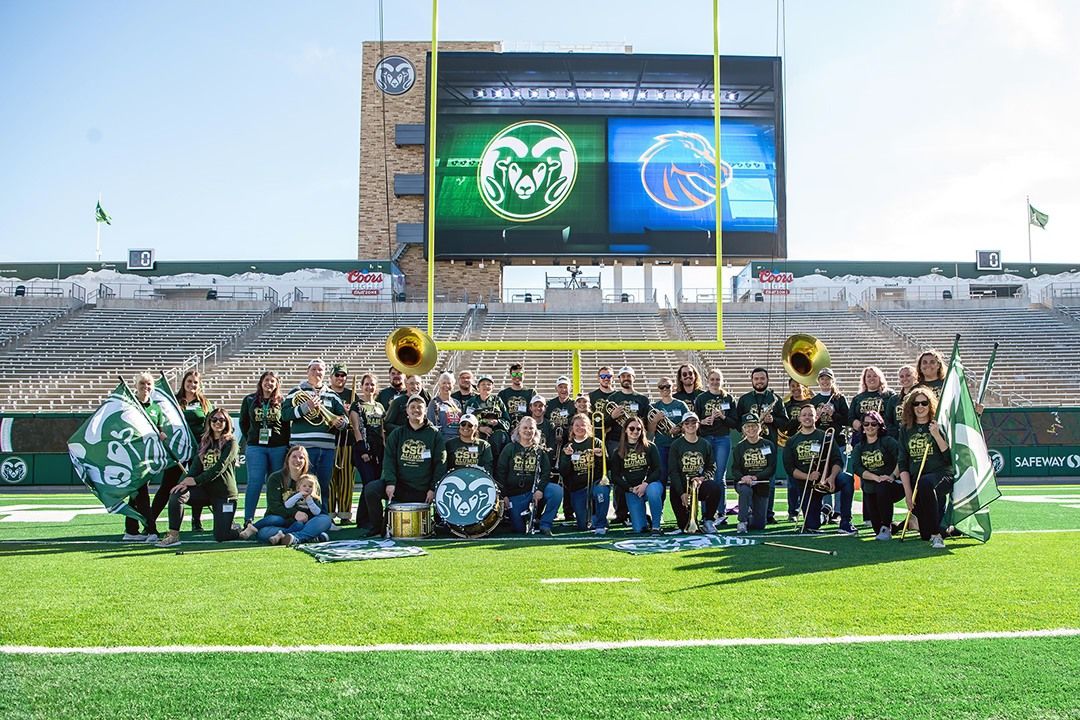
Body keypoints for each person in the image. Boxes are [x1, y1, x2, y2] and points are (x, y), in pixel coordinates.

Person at [155, 408, 241, 547]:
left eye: (221, 420)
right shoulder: (204, 441)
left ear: (227, 423)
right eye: (214, 419)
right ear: (209, 422)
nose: (217, 422)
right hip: (205, 492)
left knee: (221, 536)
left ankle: (242, 531)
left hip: (224, 494)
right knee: (177, 494)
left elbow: (219, 468)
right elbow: (196, 465)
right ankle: (173, 535)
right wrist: (185, 482)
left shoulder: (231, 442)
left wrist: (196, 480)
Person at [365, 394, 446, 536]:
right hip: (400, 487)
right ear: (407, 411)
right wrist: (390, 483)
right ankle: (377, 528)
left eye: (420, 407)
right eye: (412, 407)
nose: (416, 410)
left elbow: (441, 464)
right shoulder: (397, 434)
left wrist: (433, 488)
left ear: (425, 410)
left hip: (423, 489)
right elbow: (389, 460)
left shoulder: (434, 435)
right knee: (371, 489)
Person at [147, 369, 213, 535]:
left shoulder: (205, 402)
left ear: (200, 385)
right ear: (183, 382)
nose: (192, 385)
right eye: (189, 381)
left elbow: (210, 424)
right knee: (167, 485)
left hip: (199, 449)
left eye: (195, 382)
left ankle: (196, 521)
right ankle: (150, 521)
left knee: (196, 483)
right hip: (178, 450)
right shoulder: (174, 401)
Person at [281, 359, 350, 503]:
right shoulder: (296, 391)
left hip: (326, 448)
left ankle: (323, 518)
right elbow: (285, 415)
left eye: (320, 370)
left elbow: (345, 419)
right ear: (307, 371)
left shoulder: (332, 395)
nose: (317, 372)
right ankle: (302, 516)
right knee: (302, 486)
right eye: (313, 369)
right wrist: (306, 407)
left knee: (323, 486)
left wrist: (340, 423)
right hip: (303, 449)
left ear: (325, 373)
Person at [782, 404, 849, 534]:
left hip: (828, 481)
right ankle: (825, 512)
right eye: (804, 415)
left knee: (847, 479)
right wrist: (808, 477)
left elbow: (837, 461)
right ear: (799, 418)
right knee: (812, 525)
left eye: (811, 415)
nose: (807, 417)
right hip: (807, 484)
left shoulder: (825, 436)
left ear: (816, 417)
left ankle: (846, 521)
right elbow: (789, 468)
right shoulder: (792, 441)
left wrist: (832, 477)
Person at [899, 388, 951, 549]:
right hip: (918, 482)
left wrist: (936, 435)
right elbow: (903, 463)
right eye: (916, 403)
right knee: (924, 534)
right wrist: (908, 494)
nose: (920, 407)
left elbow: (949, 458)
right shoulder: (905, 429)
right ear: (911, 407)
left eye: (924, 403)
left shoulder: (938, 425)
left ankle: (937, 536)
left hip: (942, 476)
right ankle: (946, 530)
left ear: (930, 405)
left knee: (926, 482)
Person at [736, 367, 788, 523]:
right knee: (747, 480)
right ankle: (749, 512)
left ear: (767, 380)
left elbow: (784, 422)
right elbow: (738, 421)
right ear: (752, 381)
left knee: (769, 481)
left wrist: (774, 420)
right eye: (756, 378)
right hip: (748, 444)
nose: (759, 381)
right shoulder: (745, 399)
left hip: (768, 443)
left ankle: (768, 514)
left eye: (762, 378)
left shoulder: (775, 398)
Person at [238, 371, 290, 527]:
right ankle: (248, 519)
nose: (269, 383)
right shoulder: (249, 400)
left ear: (277, 384)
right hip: (256, 446)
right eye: (266, 380)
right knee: (255, 481)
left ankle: (273, 515)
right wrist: (251, 438)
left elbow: (286, 425)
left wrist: (285, 444)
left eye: (272, 381)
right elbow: (243, 422)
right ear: (261, 382)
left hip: (278, 446)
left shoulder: (283, 401)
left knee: (276, 482)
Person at [497, 416, 563, 535]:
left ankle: (545, 524)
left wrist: (540, 490)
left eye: (531, 428)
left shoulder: (539, 450)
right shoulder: (509, 448)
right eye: (525, 428)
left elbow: (546, 472)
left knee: (556, 490)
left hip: (533, 492)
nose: (528, 431)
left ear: (536, 431)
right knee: (520, 529)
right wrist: (504, 495)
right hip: (514, 494)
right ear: (518, 430)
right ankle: (530, 520)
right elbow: (500, 472)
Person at [122, 372, 168, 542]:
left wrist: (162, 433)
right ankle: (151, 530)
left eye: (148, 384)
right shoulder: (128, 405)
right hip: (132, 457)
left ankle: (131, 530)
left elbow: (159, 428)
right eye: (142, 383)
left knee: (135, 494)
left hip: (148, 458)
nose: (145, 387)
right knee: (142, 493)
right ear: (136, 385)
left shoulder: (156, 408)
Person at [694, 369, 738, 523]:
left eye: (718, 379)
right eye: (712, 379)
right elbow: (693, 421)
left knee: (720, 476)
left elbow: (734, 423)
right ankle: (707, 514)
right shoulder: (701, 398)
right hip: (705, 438)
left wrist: (723, 416)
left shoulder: (728, 398)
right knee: (706, 476)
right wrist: (702, 422)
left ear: (722, 380)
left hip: (722, 438)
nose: (715, 382)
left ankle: (721, 513)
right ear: (708, 381)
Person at [667, 412, 722, 534]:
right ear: (682, 426)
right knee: (684, 525)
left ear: (698, 425)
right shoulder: (676, 445)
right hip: (682, 487)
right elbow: (673, 471)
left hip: (700, 485)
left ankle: (708, 520)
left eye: (693, 422)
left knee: (715, 488)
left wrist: (702, 479)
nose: (690, 425)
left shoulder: (705, 444)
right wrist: (682, 493)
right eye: (687, 423)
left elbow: (711, 467)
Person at [851, 411, 902, 540]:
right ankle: (894, 526)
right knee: (876, 529)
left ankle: (887, 526)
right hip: (871, 486)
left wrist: (892, 476)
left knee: (882, 486)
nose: (870, 426)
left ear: (879, 425)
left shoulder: (888, 441)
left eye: (873, 423)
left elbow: (901, 459)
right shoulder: (859, 447)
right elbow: (857, 468)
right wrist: (876, 478)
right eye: (866, 424)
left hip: (892, 485)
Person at [610, 417, 663, 535]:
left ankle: (656, 526)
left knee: (654, 491)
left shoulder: (650, 447)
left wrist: (645, 484)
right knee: (639, 528)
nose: (635, 431)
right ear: (625, 430)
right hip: (632, 490)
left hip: (649, 485)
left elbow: (657, 470)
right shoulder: (618, 451)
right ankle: (645, 519)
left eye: (638, 429)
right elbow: (615, 477)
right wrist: (630, 488)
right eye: (632, 428)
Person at [558, 413, 608, 533]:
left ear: (589, 427)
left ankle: (601, 523)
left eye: (583, 425)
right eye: (577, 425)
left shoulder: (596, 442)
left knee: (602, 491)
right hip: (578, 488)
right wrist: (566, 457)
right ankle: (593, 518)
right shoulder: (568, 446)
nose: (580, 428)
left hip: (595, 484)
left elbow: (608, 466)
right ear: (572, 428)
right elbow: (563, 472)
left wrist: (601, 457)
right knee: (583, 526)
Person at [350, 372, 386, 534]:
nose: (369, 387)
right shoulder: (357, 405)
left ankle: (368, 518)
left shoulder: (380, 407)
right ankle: (365, 519)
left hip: (378, 451)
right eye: (366, 384)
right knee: (368, 483)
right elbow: (356, 428)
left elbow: (383, 430)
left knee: (374, 484)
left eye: (372, 384)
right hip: (363, 450)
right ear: (362, 386)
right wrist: (362, 450)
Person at [731, 414, 777, 533]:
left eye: (754, 426)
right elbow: (735, 469)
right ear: (743, 429)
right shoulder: (739, 447)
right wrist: (744, 477)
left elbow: (771, 467)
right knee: (746, 490)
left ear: (760, 427)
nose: (751, 429)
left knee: (759, 525)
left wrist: (756, 477)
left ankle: (751, 514)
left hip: (762, 483)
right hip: (744, 483)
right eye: (747, 426)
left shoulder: (768, 444)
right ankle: (742, 521)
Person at [327, 362, 357, 526]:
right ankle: (330, 513)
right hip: (330, 440)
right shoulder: (325, 393)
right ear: (331, 377)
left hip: (347, 441)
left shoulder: (352, 395)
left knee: (346, 478)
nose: (340, 378)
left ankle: (345, 513)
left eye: (343, 375)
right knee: (330, 478)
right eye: (337, 375)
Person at [782, 378, 814, 522]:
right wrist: (797, 420)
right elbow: (785, 427)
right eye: (792, 386)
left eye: (798, 385)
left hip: (811, 444)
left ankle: (811, 510)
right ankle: (793, 512)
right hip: (794, 444)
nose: (795, 388)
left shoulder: (811, 402)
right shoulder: (786, 405)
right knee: (792, 481)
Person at [649, 376, 689, 487]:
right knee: (661, 477)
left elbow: (690, 423)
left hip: (678, 446)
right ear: (658, 389)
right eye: (662, 387)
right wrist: (655, 420)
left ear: (673, 387)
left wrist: (680, 429)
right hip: (661, 446)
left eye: (668, 386)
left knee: (679, 477)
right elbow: (650, 431)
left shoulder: (681, 405)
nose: (665, 389)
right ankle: (659, 504)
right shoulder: (654, 407)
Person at [465, 374, 510, 461]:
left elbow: (507, 421)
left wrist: (497, 422)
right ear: (478, 387)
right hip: (476, 437)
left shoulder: (498, 401)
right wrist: (480, 428)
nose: (486, 386)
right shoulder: (471, 402)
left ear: (493, 387)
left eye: (489, 384)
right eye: (483, 384)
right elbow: (465, 421)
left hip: (496, 440)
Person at [850, 366, 896, 445]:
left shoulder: (889, 394)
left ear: (880, 378)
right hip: (863, 437)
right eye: (868, 376)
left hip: (884, 435)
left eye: (875, 376)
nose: (872, 378)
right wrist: (862, 426)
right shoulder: (857, 398)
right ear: (864, 379)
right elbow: (850, 417)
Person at [383, 374, 425, 439]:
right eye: (411, 383)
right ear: (406, 385)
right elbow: (387, 424)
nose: (415, 386)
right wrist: (403, 430)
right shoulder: (397, 402)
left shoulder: (423, 402)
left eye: (417, 384)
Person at [427, 371, 464, 441]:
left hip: (457, 440)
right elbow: (430, 424)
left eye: (449, 383)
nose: (446, 386)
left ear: (453, 385)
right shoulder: (434, 403)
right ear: (439, 385)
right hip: (442, 440)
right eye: (444, 383)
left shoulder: (457, 403)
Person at [886, 365, 917, 439]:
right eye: (901, 376)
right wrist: (896, 433)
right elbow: (887, 421)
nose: (905, 378)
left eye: (908, 375)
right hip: (899, 438)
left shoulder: (921, 396)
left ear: (915, 377)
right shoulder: (894, 399)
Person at [498, 363, 533, 429]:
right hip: (508, 429)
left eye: (520, 374)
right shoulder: (503, 394)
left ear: (524, 375)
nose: (517, 376)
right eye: (514, 374)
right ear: (510, 376)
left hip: (526, 429)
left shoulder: (531, 392)